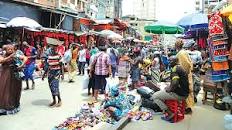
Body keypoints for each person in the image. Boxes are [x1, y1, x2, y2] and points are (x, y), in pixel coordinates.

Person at [150, 56, 189, 121]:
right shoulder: (180, 67)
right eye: (169, 61)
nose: (169, 62)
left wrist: (169, 89)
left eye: (171, 61)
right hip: (185, 93)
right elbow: (178, 81)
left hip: (179, 95)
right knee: (163, 91)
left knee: (155, 96)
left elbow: (175, 83)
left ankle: (169, 113)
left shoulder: (174, 69)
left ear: (176, 62)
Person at [0, 44, 27, 115]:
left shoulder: (16, 55)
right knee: (4, 90)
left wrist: (22, 65)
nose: (10, 50)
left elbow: (25, 58)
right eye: (9, 49)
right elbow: (1, 61)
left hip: (14, 75)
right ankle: (3, 107)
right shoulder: (2, 54)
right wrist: (10, 57)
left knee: (13, 90)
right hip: (5, 74)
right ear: (5, 50)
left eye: (12, 49)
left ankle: (13, 105)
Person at [175, 39, 194, 114]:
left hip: (184, 75)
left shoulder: (181, 53)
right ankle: (187, 107)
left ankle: (187, 108)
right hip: (186, 74)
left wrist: (182, 74)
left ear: (176, 45)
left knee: (186, 91)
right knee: (187, 90)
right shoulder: (183, 52)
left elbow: (186, 64)